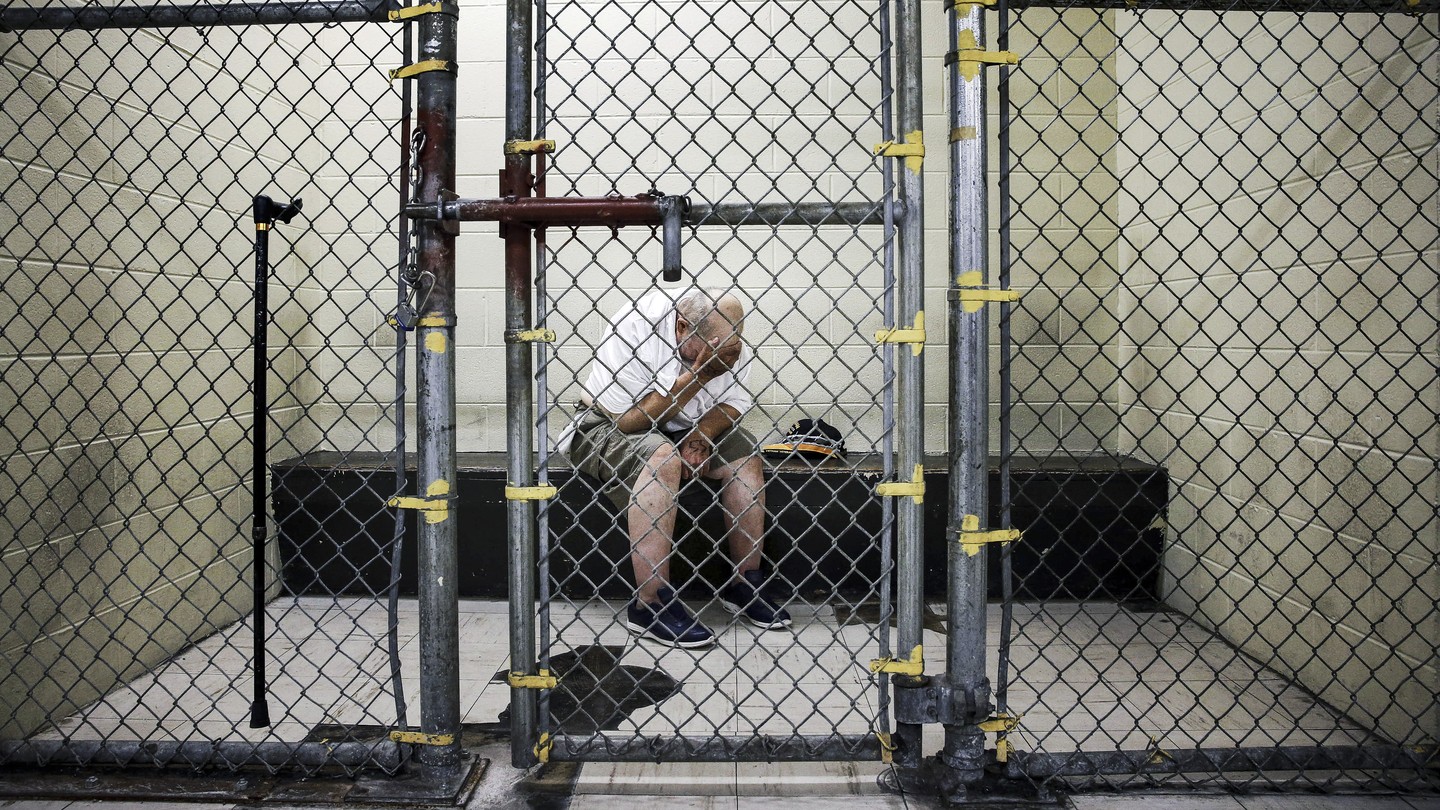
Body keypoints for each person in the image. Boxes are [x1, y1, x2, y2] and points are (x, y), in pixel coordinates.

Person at [563, 287, 791, 649]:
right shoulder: (634, 326)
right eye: (712, 351)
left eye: (730, 349)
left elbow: (733, 403)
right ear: (681, 327)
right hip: (605, 423)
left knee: (745, 455)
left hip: (687, 423)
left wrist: (701, 435)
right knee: (664, 458)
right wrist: (699, 377)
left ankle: (746, 582)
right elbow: (626, 422)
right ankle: (649, 604)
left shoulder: (728, 340)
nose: (725, 357)